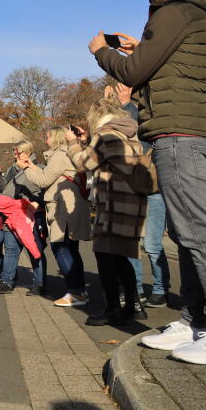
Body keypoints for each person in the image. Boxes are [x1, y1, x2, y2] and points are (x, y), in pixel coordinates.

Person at [92, 0, 206, 364]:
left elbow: (133, 74)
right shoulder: (199, 14)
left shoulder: (173, 12)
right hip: (188, 131)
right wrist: (142, 48)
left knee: (199, 233)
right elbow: (175, 66)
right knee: (187, 232)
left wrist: (102, 51)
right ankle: (194, 321)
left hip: (179, 133)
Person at [67, 98, 148, 326]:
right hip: (131, 203)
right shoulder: (128, 132)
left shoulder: (105, 134)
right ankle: (133, 306)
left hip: (113, 203)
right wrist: (88, 141)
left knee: (104, 255)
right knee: (121, 256)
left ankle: (112, 307)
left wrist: (73, 144)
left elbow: (84, 163)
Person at [112, 83, 171, 309]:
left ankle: (159, 289)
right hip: (132, 190)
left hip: (154, 191)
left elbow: (137, 128)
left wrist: (126, 103)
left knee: (153, 244)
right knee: (132, 243)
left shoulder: (147, 120)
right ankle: (135, 288)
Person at [20, 127, 92, 308]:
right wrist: (32, 165)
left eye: (47, 137)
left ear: (56, 138)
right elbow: (51, 176)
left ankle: (76, 292)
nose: (45, 140)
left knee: (61, 248)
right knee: (71, 250)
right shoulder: (65, 153)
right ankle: (80, 291)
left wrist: (27, 168)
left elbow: (44, 180)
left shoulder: (60, 155)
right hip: (69, 208)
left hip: (62, 210)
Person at [0, 141, 48, 295]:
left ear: (27, 153)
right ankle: (6, 282)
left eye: (18, 152)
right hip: (12, 217)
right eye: (14, 152)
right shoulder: (12, 169)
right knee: (10, 250)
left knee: (35, 250)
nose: (15, 155)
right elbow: (4, 188)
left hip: (31, 216)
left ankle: (39, 283)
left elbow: (44, 188)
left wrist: (38, 202)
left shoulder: (40, 168)